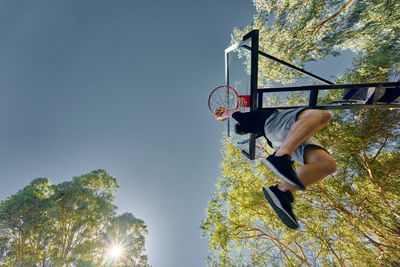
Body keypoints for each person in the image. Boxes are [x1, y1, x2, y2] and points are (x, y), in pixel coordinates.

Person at [214, 107, 337, 229]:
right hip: (276, 126)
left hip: (283, 139)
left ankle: (283, 190)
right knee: (321, 116)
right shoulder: (247, 118)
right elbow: (233, 113)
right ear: (241, 124)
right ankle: (280, 156)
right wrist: (226, 113)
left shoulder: (254, 126)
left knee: (327, 165)